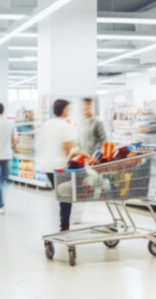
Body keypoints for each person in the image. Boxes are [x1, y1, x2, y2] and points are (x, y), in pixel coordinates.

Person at [36, 99, 83, 232]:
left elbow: (39, 145)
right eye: (68, 109)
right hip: (61, 166)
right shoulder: (66, 126)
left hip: (47, 166)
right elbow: (68, 149)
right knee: (66, 197)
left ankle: (65, 224)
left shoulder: (46, 125)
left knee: (63, 196)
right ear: (64, 110)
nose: (69, 111)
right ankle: (65, 227)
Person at [71, 97, 108, 224]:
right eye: (84, 106)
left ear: (92, 107)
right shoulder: (81, 122)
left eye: (88, 106)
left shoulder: (97, 122)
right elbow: (78, 140)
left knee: (85, 187)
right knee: (82, 187)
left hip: (92, 161)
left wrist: (97, 156)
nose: (85, 109)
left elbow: (104, 140)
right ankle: (76, 216)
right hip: (81, 160)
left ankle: (77, 216)